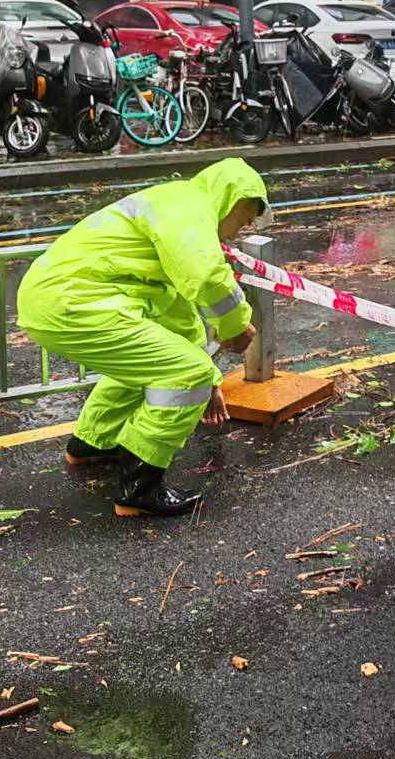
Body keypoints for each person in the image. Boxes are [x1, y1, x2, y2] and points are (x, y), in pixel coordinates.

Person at [16, 159, 268, 519]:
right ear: (234, 199)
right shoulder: (190, 208)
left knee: (152, 364)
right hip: (73, 302)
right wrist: (235, 328)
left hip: (57, 299)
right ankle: (140, 489)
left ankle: (92, 443)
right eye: (244, 219)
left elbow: (179, 320)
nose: (242, 230)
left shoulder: (176, 208)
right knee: (187, 374)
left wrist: (213, 378)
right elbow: (208, 278)